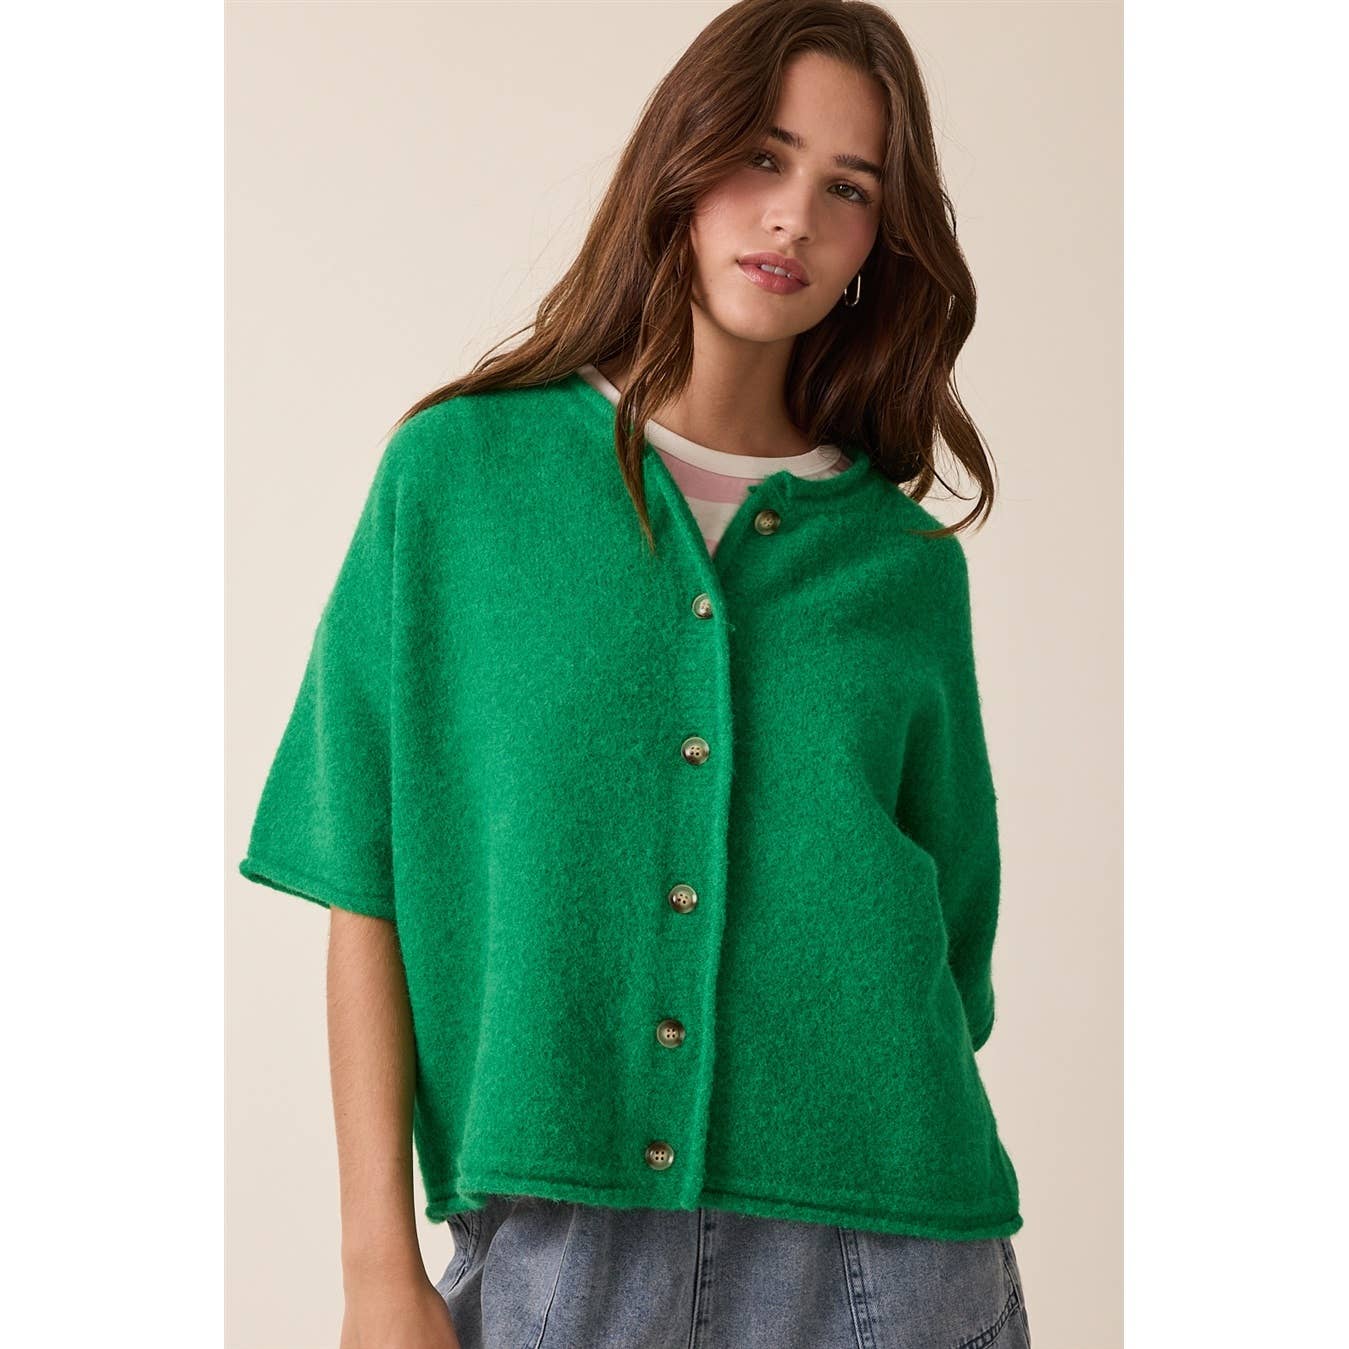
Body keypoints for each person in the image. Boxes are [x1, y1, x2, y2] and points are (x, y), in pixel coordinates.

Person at [237, 2, 1031, 1345]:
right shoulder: (460, 479)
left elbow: (956, 937)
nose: (793, 217)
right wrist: (377, 1265)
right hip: (560, 1248)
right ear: (682, 157)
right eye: (764, 156)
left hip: (887, 1262)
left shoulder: (899, 562)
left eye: (848, 190)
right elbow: (365, 875)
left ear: (875, 249)